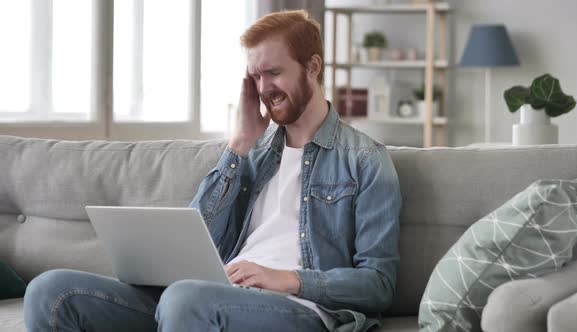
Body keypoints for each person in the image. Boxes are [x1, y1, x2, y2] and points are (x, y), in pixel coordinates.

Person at [23, 10, 401, 332]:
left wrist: (288, 279)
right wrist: (238, 145)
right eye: (255, 76)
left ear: (313, 67)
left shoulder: (365, 159)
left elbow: (378, 285)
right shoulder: (253, 155)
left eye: (274, 72)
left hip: (302, 310)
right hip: (209, 296)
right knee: (51, 291)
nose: (264, 87)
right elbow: (198, 237)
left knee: (185, 301)